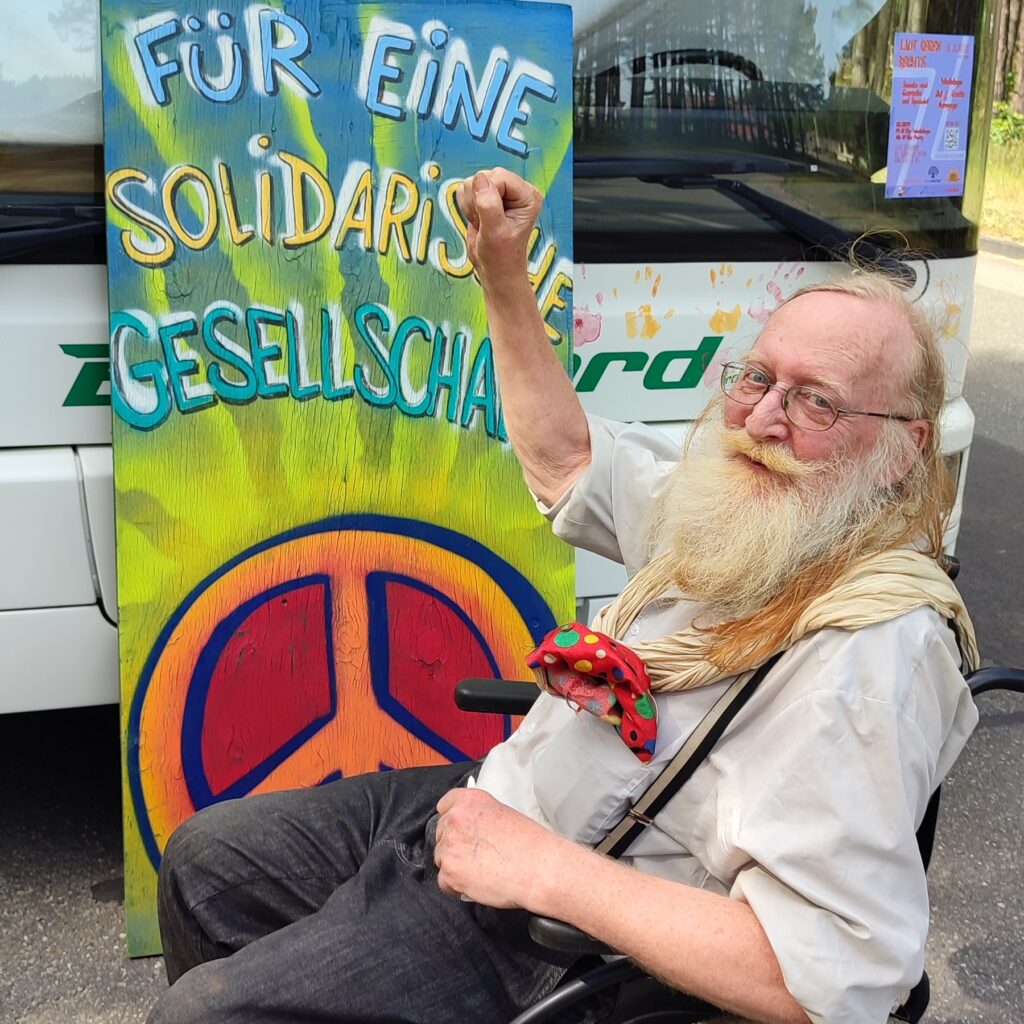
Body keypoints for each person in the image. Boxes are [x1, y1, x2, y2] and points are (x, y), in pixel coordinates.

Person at [148, 169, 979, 1024]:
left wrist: (543, 871)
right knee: (206, 860)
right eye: (757, 377)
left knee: (205, 1015)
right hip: (499, 798)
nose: (764, 418)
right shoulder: (751, 516)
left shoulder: (874, 656)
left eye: (817, 401)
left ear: (903, 449)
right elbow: (566, 461)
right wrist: (503, 276)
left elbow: (837, 978)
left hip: (562, 921)